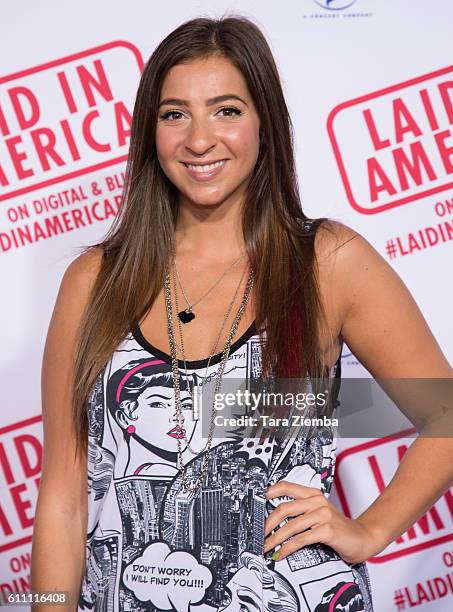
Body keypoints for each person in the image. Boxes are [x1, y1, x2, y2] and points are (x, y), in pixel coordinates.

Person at [30, 14, 452, 612]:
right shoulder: (95, 280)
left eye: (226, 110)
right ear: (150, 131)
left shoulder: (326, 262)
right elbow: (64, 499)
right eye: (174, 113)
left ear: (265, 124)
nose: (199, 139)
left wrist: (370, 531)